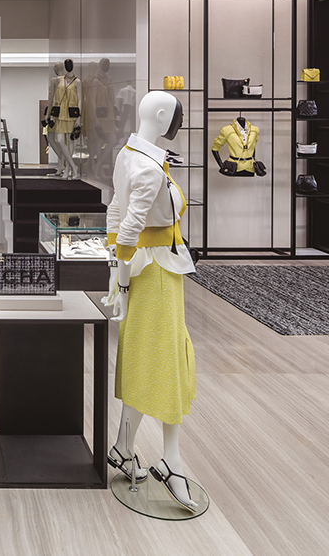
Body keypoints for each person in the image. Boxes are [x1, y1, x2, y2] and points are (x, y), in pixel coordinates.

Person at [102, 90, 199, 512]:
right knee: (165, 362)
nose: (179, 121)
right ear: (162, 115)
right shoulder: (145, 165)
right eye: (176, 114)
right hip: (156, 271)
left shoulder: (131, 155)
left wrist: (117, 272)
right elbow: (126, 226)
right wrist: (119, 276)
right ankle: (171, 461)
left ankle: (124, 448)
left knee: (148, 359)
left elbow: (114, 213)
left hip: (150, 270)